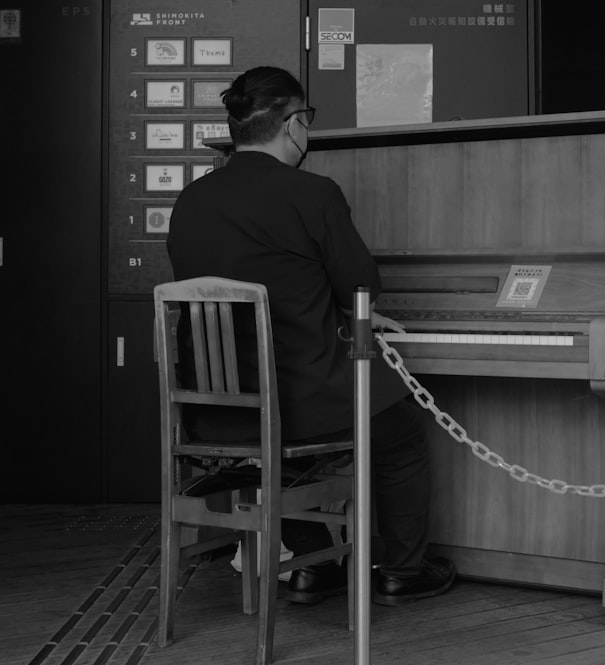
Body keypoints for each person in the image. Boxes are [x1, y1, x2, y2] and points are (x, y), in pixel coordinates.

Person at [166, 65, 456, 606]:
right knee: (403, 435)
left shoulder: (191, 200)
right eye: (307, 121)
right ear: (294, 124)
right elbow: (363, 284)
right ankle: (403, 571)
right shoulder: (312, 192)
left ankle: (313, 564)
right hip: (300, 400)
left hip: (215, 410)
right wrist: (351, 312)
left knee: (279, 450)